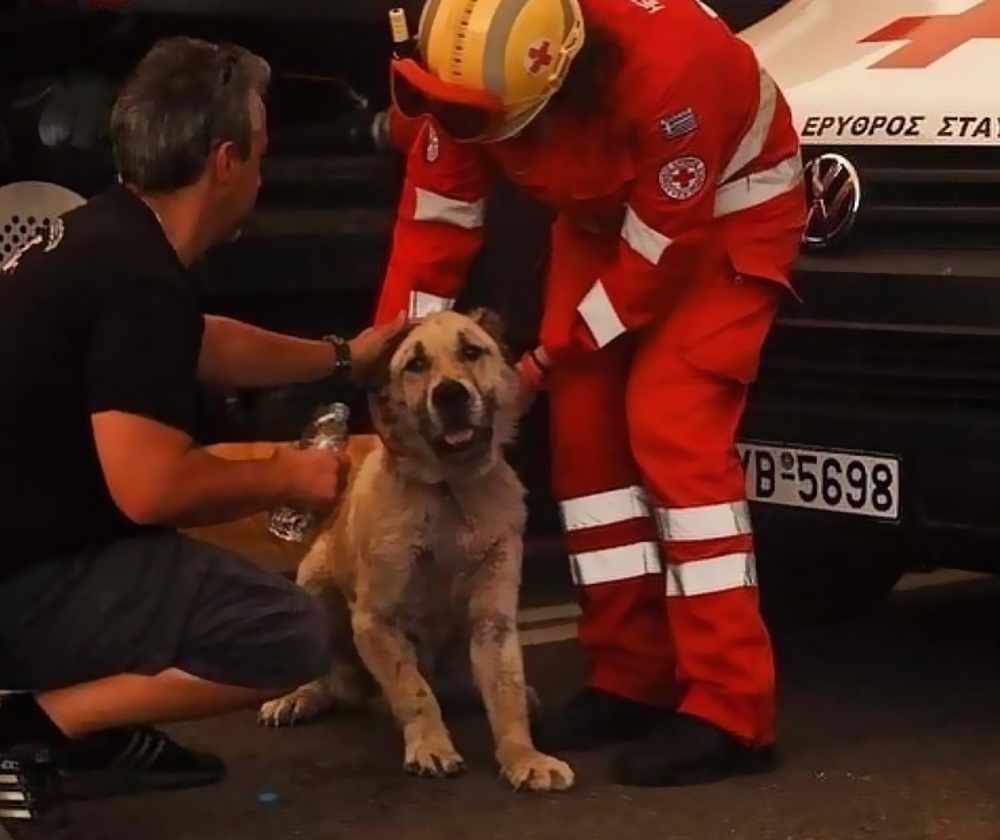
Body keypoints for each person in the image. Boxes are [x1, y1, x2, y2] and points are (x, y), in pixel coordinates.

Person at [372, 0, 807, 788]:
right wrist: (391, 382)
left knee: (671, 426)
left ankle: (731, 708)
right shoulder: (469, 74)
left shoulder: (675, 66)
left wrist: (543, 358)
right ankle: (631, 674)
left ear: (560, 82)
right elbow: (434, 225)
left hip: (724, 216)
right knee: (586, 441)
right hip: (606, 218)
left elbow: (662, 250)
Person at [0, 36, 406, 839]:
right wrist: (288, 477)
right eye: (260, 151)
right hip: (21, 582)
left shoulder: (106, 236)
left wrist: (341, 359)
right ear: (225, 161)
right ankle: (34, 734)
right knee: (282, 630)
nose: (263, 169)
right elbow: (150, 488)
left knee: (156, 562)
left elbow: (201, 339)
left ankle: (86, 727)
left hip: (24, 554)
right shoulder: (138, 279)